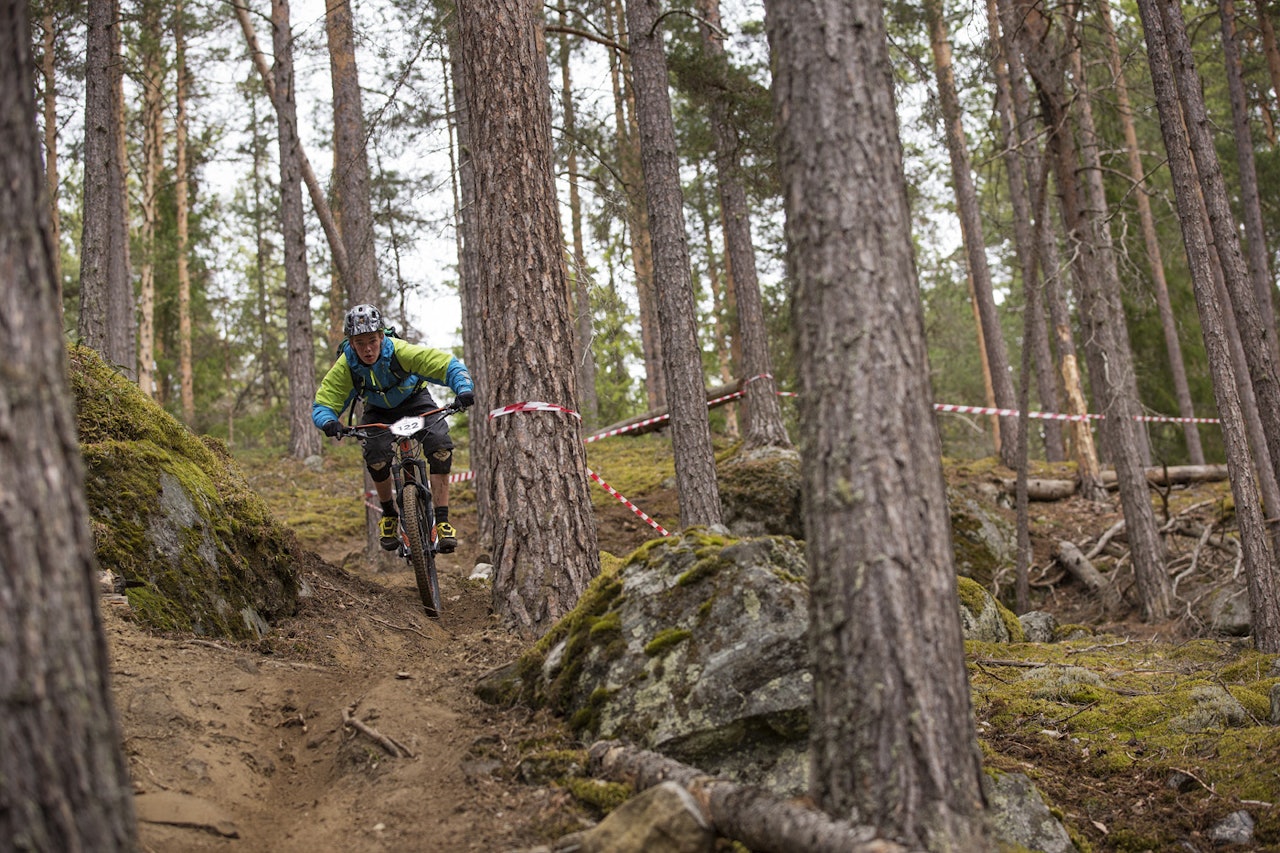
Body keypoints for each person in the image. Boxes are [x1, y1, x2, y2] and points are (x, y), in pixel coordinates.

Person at [312, 304, 475, 553]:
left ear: (381, 337)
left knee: (440, 445)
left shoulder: (399, 351)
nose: (367, 349)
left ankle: (442, 522)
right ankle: (389, 516)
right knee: (376, 456)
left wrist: (462, 388)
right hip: (378, 411)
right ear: (351, 343)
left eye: (372, 341)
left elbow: (445, 365)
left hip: (415, 401)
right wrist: (328, 421)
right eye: (359, 343)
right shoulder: (347, 365)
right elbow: (325, 400)